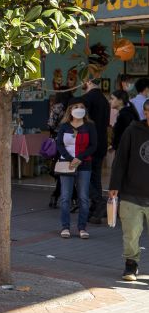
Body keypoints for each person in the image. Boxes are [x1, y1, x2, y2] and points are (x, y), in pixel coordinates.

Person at [109, 98, 149, 281]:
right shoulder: (133, 131)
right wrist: (114, 185)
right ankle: (130, 265)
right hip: (131, 193)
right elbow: (121, 159)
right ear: (145, 112)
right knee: (131, 234)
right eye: (148, 111)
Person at [56, 98, 97, 239]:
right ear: (70, 110)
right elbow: (59, 145)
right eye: (76, 106)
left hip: (84, 165)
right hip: (66, 165)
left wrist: (79, 158)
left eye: (81, 106)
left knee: (84, 197)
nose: (79, 109)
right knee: (65, 197)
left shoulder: (90, 126)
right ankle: (65, 227)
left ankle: (82, 228)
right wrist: (69, 158)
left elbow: (93, 145)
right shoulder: (64, 126)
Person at [82, 78, 110, 224]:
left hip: (88, 143)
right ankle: (96, 211)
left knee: (83, 176)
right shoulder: (105, 100)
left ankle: (98, 202)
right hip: (102, 142)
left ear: (88, 82)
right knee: (95, 177)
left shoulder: (86, 99)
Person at [47, 91, 73, 209]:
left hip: (58, 140)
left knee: (60, 169)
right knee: (68, 169)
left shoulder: (57, 107)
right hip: (72, 141)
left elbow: (51, 124)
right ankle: (71, 197)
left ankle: (56, 195)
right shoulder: (73, 107)